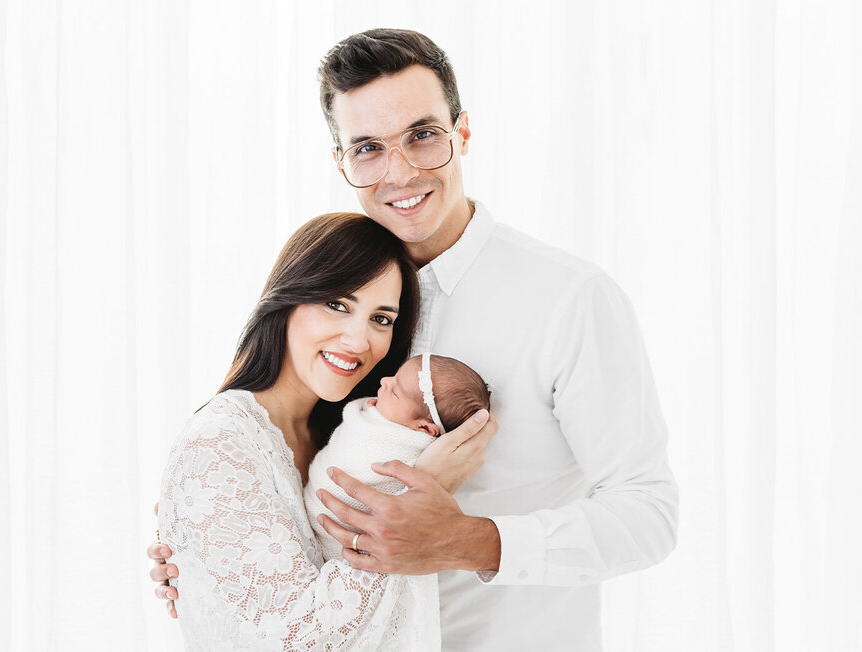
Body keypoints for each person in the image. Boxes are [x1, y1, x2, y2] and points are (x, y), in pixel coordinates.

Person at [150, 29, 678, 650]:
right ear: (342, 162)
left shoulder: (570, 298)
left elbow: (649, 515)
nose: (398, 172)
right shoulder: (330, 303)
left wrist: (467, 539)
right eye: (368, 148)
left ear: (463, 134)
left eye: (423, 136)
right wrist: (217, 559)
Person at [156, 212, 493, 650]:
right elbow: (299, 640)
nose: (358, 341)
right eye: (337, 304)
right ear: (289, 298)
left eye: (382, 319)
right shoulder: (219, 444)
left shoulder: (352, 434)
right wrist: (421, 496)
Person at [304, 352, 492, 561]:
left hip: (337, 537)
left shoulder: (409, 452)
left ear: (424, 428)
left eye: (395, 392)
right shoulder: (384, 416)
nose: (384, 381)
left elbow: (390, 490)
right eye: (393, 377)